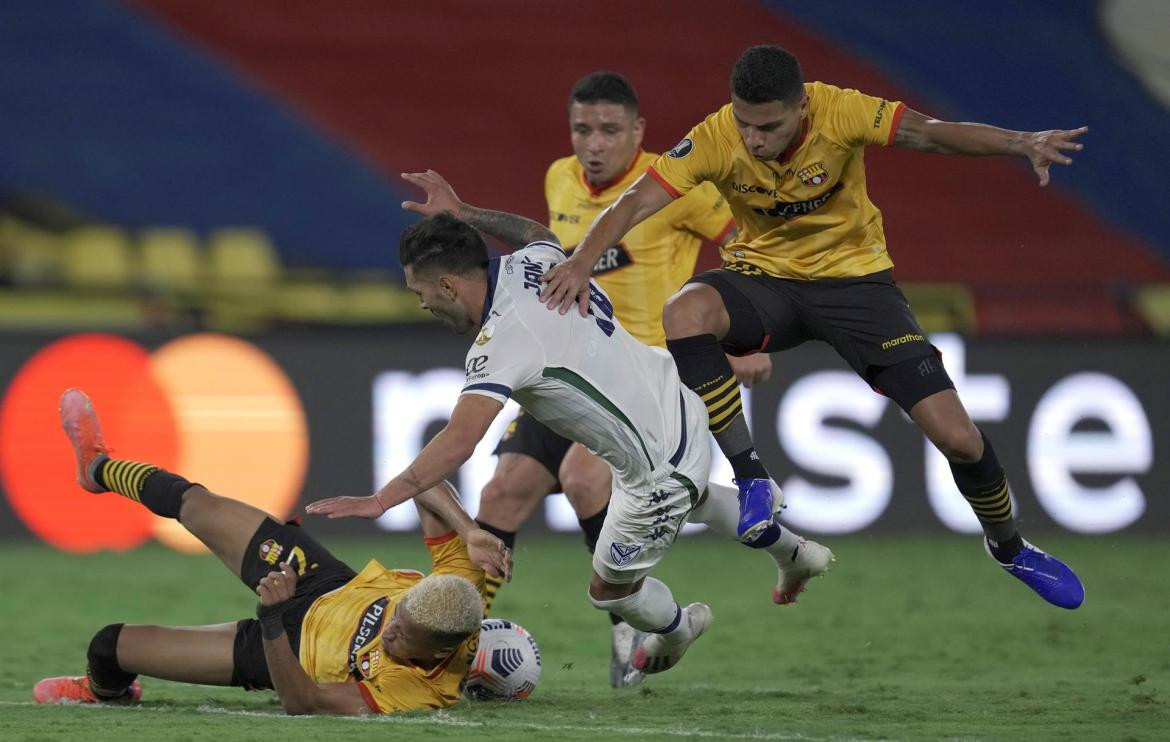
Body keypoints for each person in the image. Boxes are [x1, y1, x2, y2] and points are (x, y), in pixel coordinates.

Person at [539, 44, 1085, 609]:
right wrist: (581, 262)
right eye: (745, 124)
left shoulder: (841, 111)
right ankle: (752, 477)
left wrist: (1021, 143)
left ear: (802, 107)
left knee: (960, 440)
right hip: (766, 281)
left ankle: (1010, 547)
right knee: (684, 312)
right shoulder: (716, 136)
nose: (753, 139)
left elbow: (929, 132)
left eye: (768, 126)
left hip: (859, 289)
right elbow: (633, 203)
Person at [307, 194, 833, 683]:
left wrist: (381, 499)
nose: (420, 303)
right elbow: (534, 230)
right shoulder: (530, 265)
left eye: (418, 290)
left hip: (656, 466)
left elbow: (459, 440)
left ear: (447, 285)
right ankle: (792, 552)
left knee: (607, 591)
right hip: (677, 395)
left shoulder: (503, 342)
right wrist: (466, 210)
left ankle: (676, 629)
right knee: (689, 498)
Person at [469, 70, 765, 687]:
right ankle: (458, 640)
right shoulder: (559, 178)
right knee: (501, 494)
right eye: (582, 129)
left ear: (638, 132)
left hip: (640, 382)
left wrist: (739, 338)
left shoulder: (675, 186)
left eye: (608, 131)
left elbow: (749, 248)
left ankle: (626, 619)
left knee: (582, 476)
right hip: (565, 371)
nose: (593, 144)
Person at [34, 389, 512, 715]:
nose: (389, 631)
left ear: (442, 650)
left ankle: (105, 691)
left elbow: (304, 702)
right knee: (195, 503)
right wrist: (468, 529)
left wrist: (271, 618)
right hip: (321, 580)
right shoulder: (460, 587)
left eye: (402, 636)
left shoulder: (418, 692)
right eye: (397, 616)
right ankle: (97, 467)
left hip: (281, 652)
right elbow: (427, 482)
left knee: (110, 645)